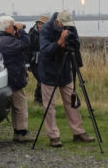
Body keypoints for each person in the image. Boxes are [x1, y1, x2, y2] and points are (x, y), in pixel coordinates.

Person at [38, 10, 95, 147]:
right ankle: (53, 136)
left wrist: (70, 42)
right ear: (57, 22)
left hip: (65, 70)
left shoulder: (71, 28)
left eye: (68, 25)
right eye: (64, 25)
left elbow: (77, 45)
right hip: (48, 71)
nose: (66, 28)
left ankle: (78, 132)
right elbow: (45, 51)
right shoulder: (46, 30)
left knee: (72, 101)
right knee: (49, 106)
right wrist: (59, 42)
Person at [0, 16, 34, 142]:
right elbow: (26, 43)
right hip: (15, 78)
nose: (15, 28)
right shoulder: (7, 41)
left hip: (10, 77)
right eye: (13, 26)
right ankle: (22, 132)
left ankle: (17, 132)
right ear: (6, 28)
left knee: (15, 107)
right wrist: (22, 31)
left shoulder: (2, 40)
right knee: (21, 105)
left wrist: (17, 32)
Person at [28, 15, 49, 104]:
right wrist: (27, 63)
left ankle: (37, 100)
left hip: (45, 61)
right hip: (34, 61)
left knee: (41, 80)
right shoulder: (32, 33)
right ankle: (39, 100)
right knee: (41, 80)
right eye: (39, 23)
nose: (40, 25)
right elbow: (27, 48)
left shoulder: (49, 33)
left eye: (43, 24)